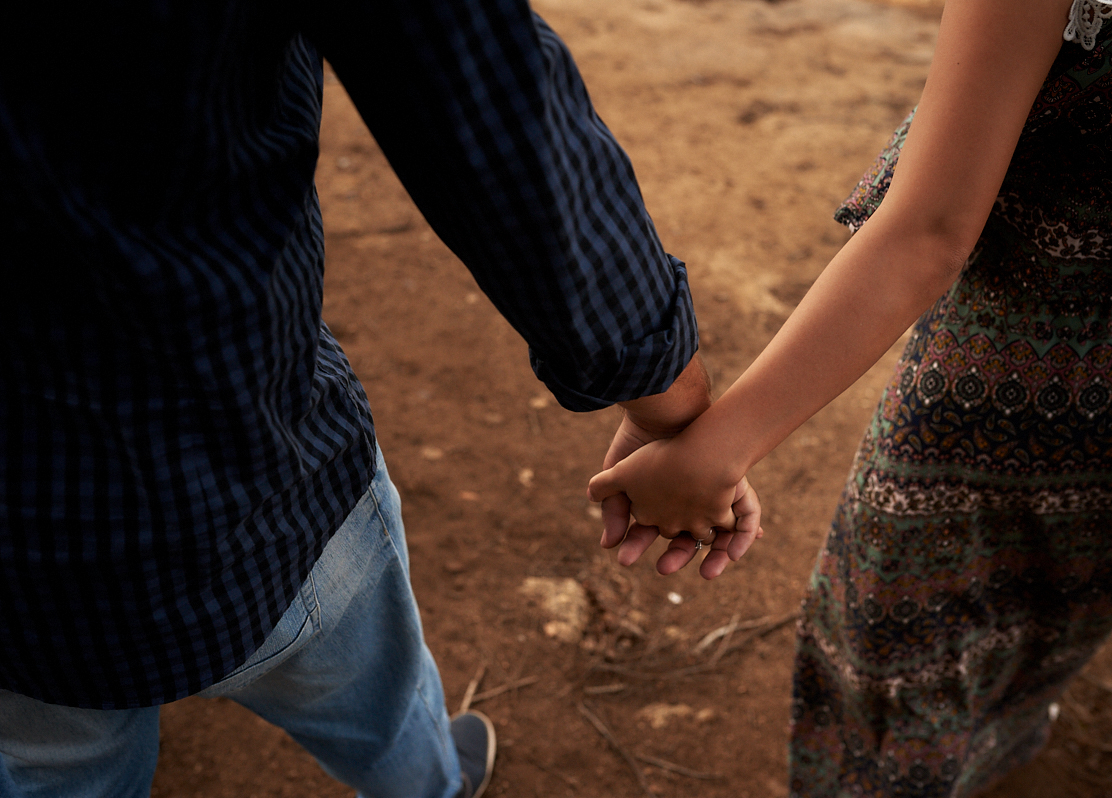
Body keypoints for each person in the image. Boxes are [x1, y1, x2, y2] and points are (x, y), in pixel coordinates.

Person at [0, 2, 763, 797]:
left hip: (25, 579)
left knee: (58, 771)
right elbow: (486, 98)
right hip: (266, 480)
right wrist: (667, 404)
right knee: (386, 713)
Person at [590, 0, 1112, 794]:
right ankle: (995, 739)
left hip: (996, 392)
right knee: (1065, 587)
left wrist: (713, 442)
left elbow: (930, 230)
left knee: (893, 642)